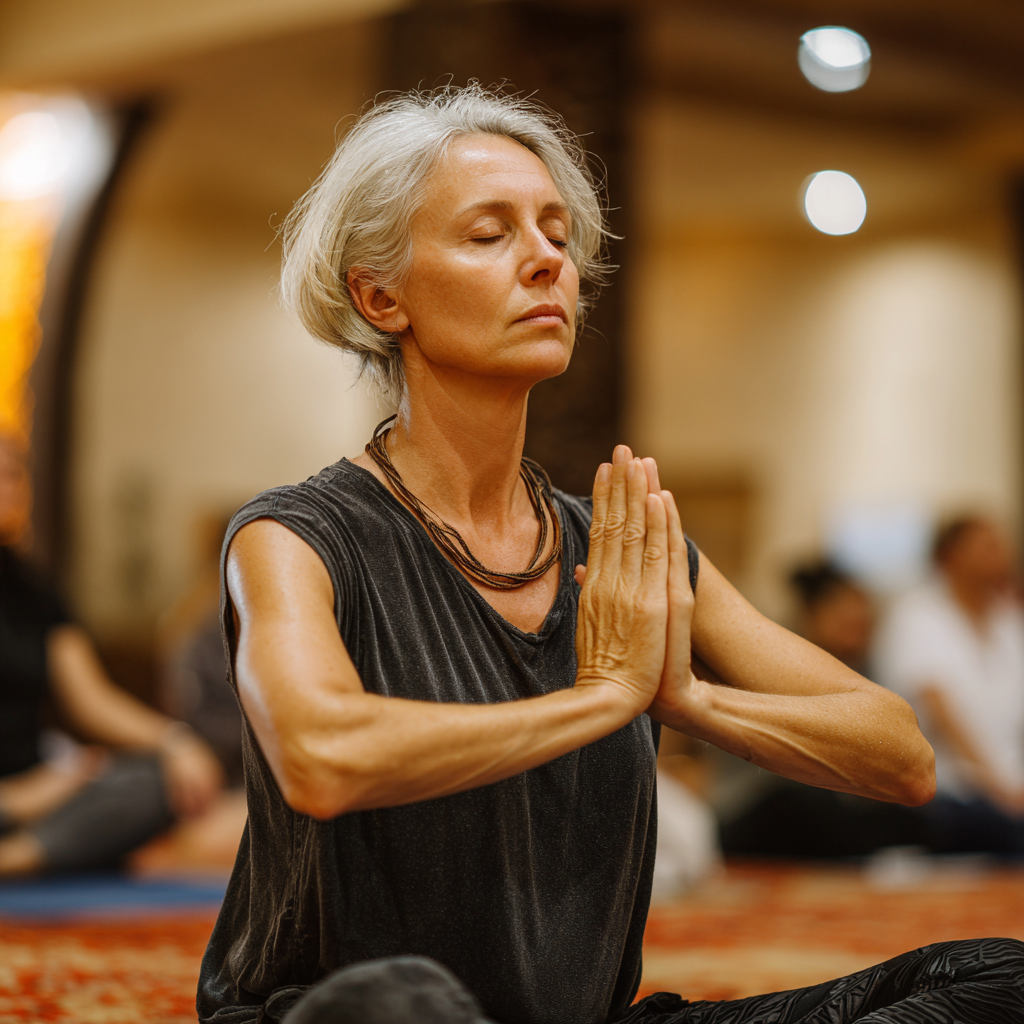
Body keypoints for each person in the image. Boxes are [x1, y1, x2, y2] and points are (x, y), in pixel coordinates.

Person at [198, 87, 1021, 1024]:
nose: (548, 258)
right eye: (488, 234)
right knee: (405, 1006)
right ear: (380, 295)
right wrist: (599, 700)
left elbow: (901, 756)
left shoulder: (619, 548)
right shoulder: (295, 535)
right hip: (348, 1013)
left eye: (555, 231)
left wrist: (686, 698)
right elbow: (321, 755)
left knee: (1000, 978)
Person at [0, 434, 224, 875]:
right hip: (23, 793)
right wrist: (15, 797)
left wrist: (176, 743)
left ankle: (17, 857)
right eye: (1, 475)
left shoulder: (33, 590)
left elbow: (90, 699)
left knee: (156, 781)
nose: (13, 486)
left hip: (41, 781)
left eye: (15, 473)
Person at [718, 562, 923, 859]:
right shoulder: (775, 660)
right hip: (758, 797)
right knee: (807, 806)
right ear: (811, 616)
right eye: (847, 624)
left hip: (832, 799)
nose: (859, 634)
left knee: (915, 811)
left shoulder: (862, 668)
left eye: (864, 626)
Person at [877, 516, 1024, 856]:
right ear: (951, 556)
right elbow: (942, 713)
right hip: (947, 787)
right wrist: (1000, 790)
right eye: (988, 546)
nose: (1002, 554)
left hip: (1010, 779)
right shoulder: (919, 614)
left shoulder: (1008, 619)